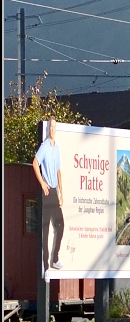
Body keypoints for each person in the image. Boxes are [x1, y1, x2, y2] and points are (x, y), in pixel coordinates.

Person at [32, 117, 65, 275]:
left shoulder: (56, 148)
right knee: (45, 229)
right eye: (50, 127)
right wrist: (42, 183)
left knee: (61, 225)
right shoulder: (44, 147)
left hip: (54, 190)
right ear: (48, 130)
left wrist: (61, 192)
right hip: (47, 192)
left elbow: (59, 171)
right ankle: (46, 267)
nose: (52, 130)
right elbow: (35, 163)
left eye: (54, 127)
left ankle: (55, 258)